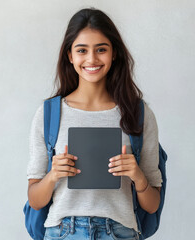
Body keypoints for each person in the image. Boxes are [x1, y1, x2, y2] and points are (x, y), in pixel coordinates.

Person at [26, 7, 163, 240]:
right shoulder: (49, 113)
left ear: (114, 54)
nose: (92, 59)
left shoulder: (138, 113)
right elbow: (35, 200)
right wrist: (53, 175)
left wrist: (137, 176)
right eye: (82, 50)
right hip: (62, 232)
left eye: (101, 49)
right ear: (70, 56)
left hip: (120, 232)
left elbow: (152, 206)